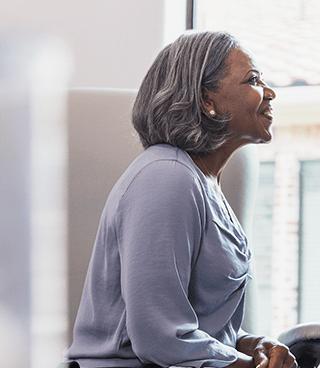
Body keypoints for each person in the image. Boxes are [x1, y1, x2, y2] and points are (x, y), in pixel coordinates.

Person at [65, 31, 295, 368]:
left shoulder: (204, 183)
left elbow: (200, 325)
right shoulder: (167, 176)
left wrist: (252, 343)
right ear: (206, 101)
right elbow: (161, 337)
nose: (269, 93)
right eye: (253, 80)